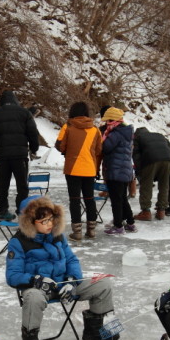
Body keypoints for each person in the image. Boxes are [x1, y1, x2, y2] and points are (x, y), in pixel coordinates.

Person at [5, 196, 117, 340]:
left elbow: (72, 260)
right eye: (44, 221)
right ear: (30, 222)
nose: (49, 224)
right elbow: (12, 275)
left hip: (64, 285)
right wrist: (36, 280)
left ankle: (94, 331)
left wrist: (72, 281)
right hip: (39, 289)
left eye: (51, 219)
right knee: (33, 297)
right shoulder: (18, 242)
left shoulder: (58, 236)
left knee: (103, 284)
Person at [0, 91, 40, 221]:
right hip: (20, 156)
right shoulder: (25, 113)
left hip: (3, 156)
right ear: (15, 100)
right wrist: (33, 149)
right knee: (22, 185)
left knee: (3, 185)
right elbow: (33, 133)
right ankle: (22, 211)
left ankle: (2, 211)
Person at [56, 102, 102, 240]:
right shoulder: (95, 129)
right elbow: (99, 150)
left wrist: (69, 150)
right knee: (89, 199)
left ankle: (77, 232)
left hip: (73, 169)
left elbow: (60, 145)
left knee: (74, 200)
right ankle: (91, 230)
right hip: (89, 169)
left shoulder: (68, 126)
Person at [99, 107, 137, 235]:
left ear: (112, 120)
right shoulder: (125, 131)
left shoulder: (116, 133)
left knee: (116, 200)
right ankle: (131, 223)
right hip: (124, 170)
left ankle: (118, 226)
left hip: (116, 170)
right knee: (122, 199)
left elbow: (106, 148)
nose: (106, 123)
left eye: (107, 120)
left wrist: (103, 135)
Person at [132, 126, 170, 220]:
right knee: (164, 185)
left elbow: (136, 155)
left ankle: (146, 212)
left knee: (146, 186)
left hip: (150, 160)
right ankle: (161, 211)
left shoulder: (138, 138)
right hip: (167, 159)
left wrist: (140, 171)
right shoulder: (160, 135)